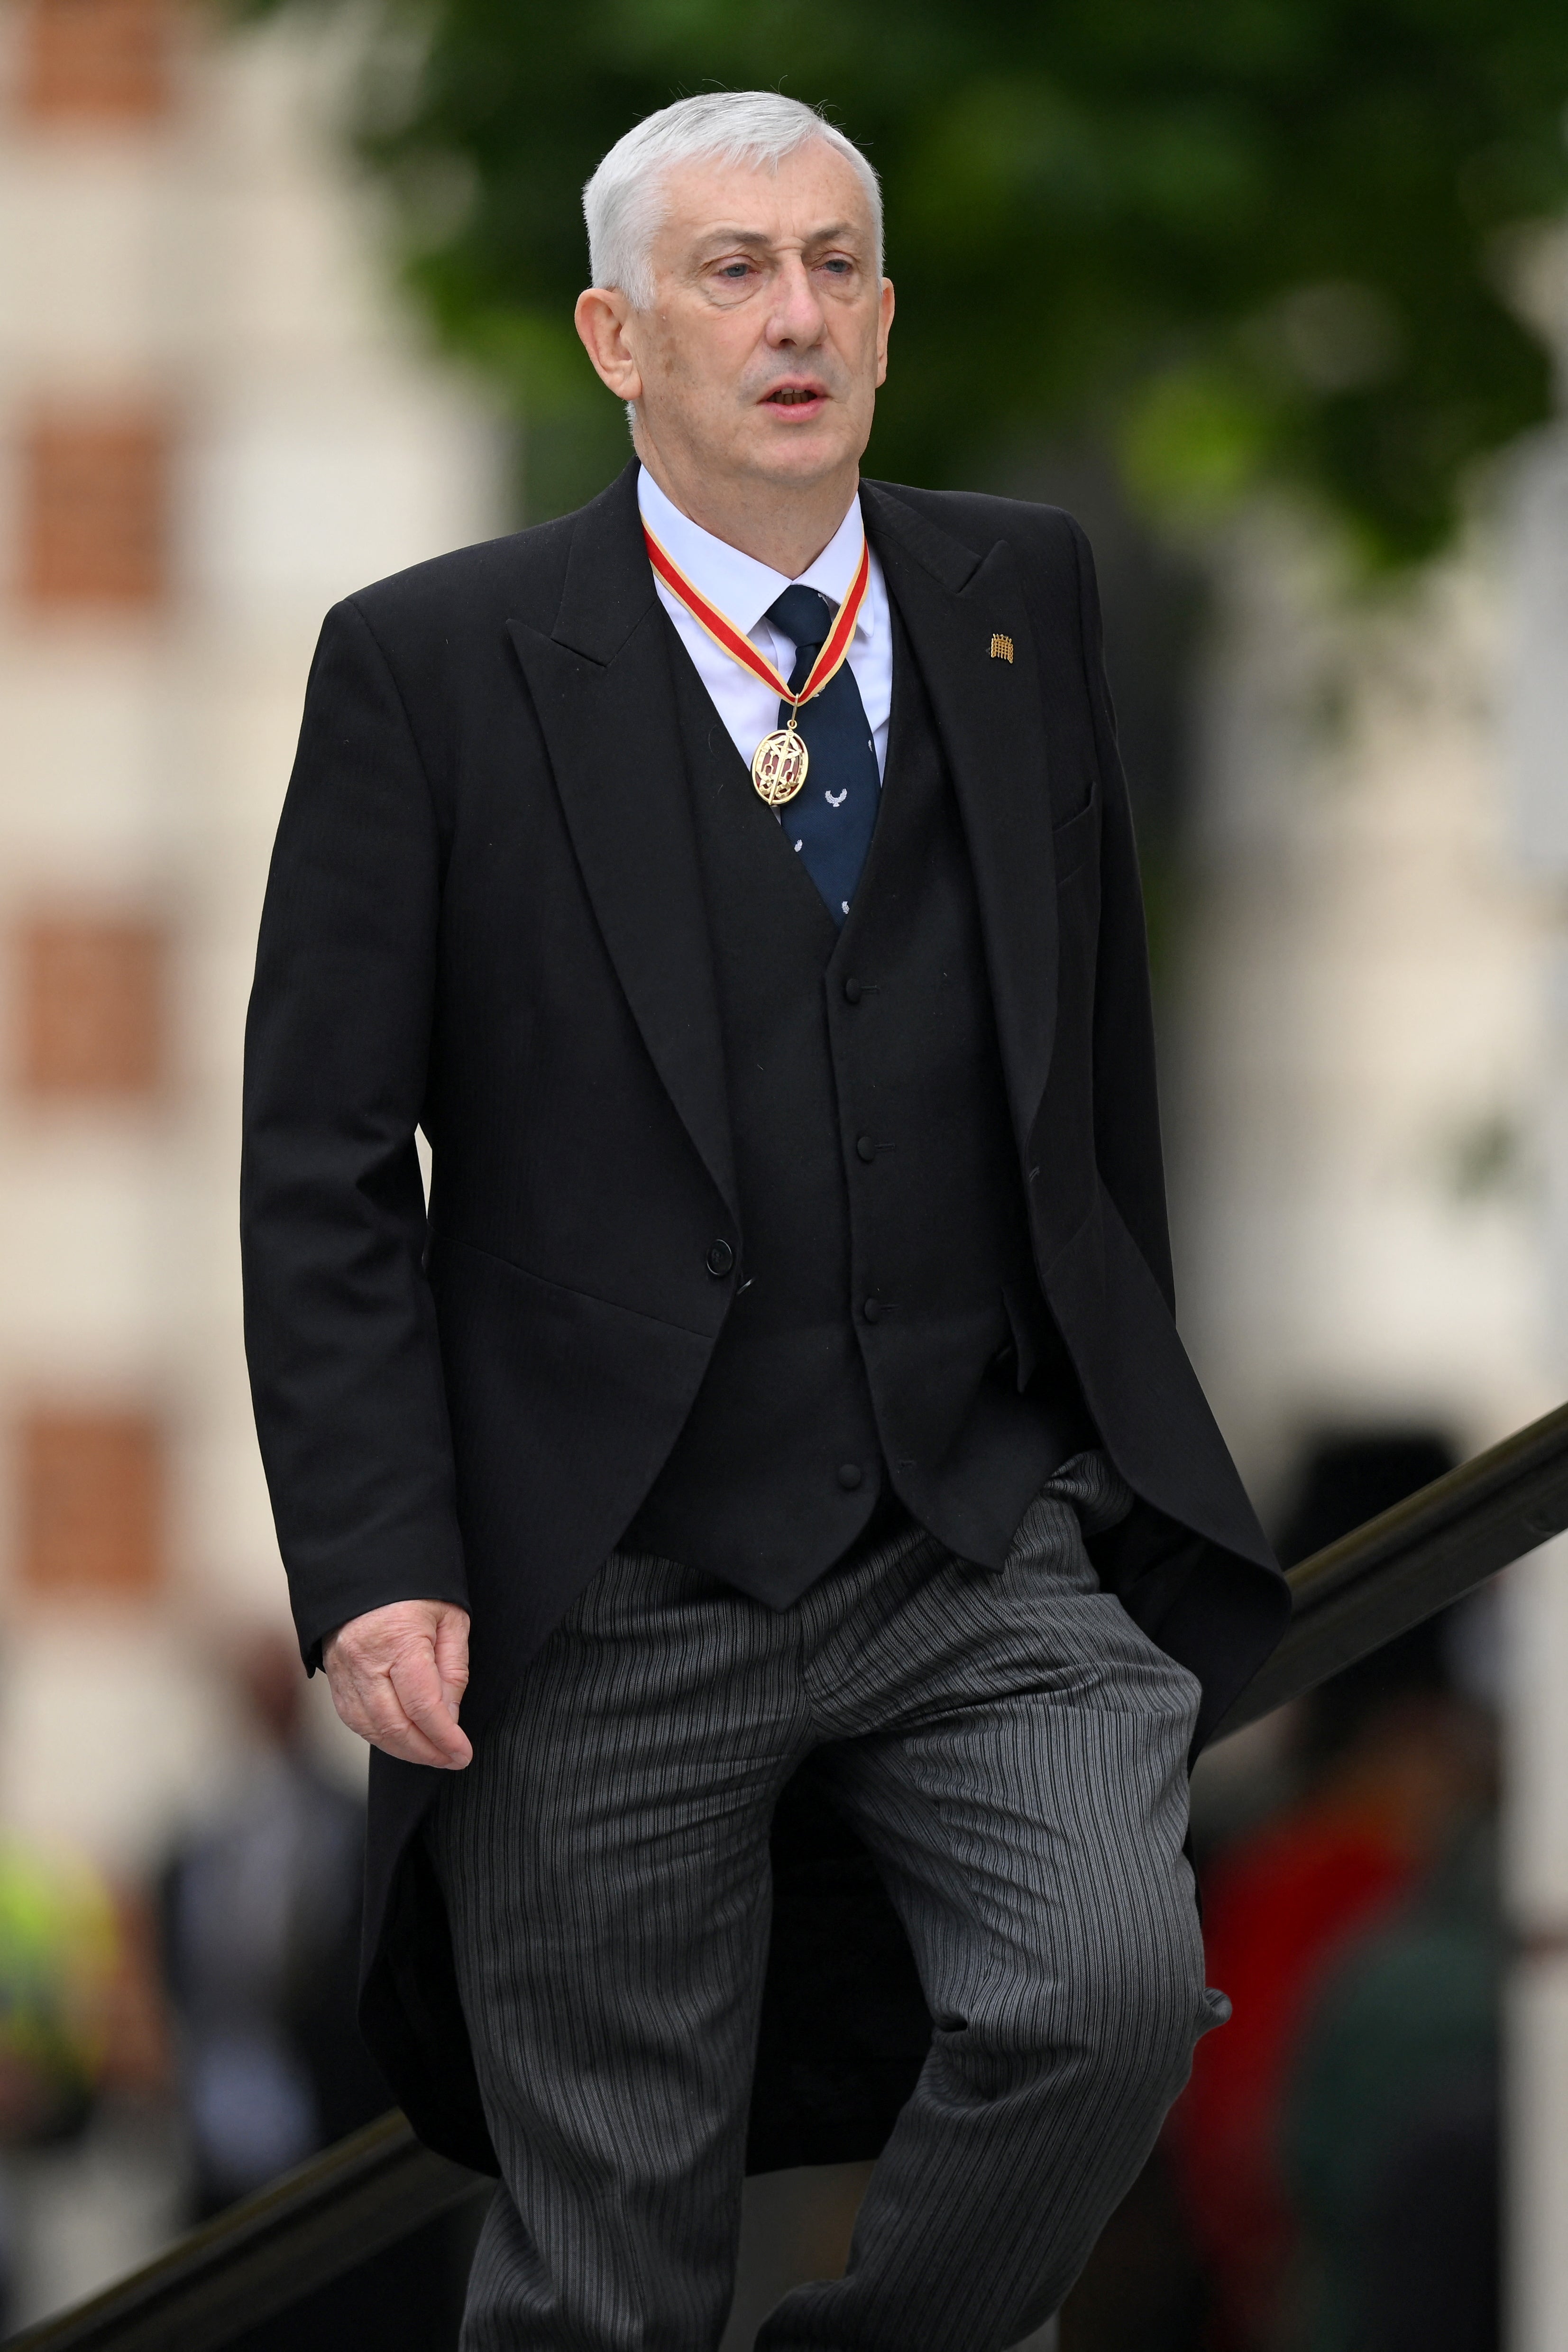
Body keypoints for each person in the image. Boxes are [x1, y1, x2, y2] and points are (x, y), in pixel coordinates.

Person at [240, 89, 1289, 2350]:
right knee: (604, 2253)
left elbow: (1089, 1068)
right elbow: (321, 1150)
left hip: (971, 1531)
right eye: (732, 273)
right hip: (602, 1571)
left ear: (889, 319)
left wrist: (1108, 1434)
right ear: (617, 335)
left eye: (832, 267)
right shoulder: (428, 663)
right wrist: (374, 1555)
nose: (792, 316)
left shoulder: (1021, 592)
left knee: (1108, 1992)